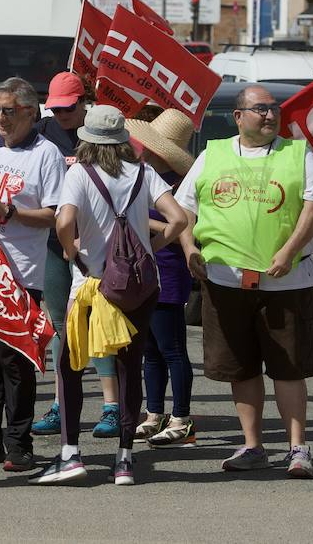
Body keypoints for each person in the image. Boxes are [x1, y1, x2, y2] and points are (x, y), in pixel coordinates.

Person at [174, 85, 313, 479]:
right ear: (239, 117)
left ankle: (298, 448)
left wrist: (288, 250)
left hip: (287, 281)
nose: (270, 116)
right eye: (260, 109)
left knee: (288, 369)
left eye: (274, 109)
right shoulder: (214, 154)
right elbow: (184, 208)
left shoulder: (298, 153)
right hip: (225, 282)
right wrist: (189, 248)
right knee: (240, 368)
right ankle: (252, 445)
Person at [32, 105, 186, 486]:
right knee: (128, 368)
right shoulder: (144, 172)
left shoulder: (79, 175)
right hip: (136, 286)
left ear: (86, 140)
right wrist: (153, 244)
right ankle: (125, 460)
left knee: (70, 365)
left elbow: (64, 221)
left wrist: (71, 251)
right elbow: (180, 219)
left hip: (90, 284)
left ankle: (70, 453)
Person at [0, 77, 66, 473]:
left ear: (30, 112)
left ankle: (18, 442)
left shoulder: (46, 155)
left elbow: (54, 215)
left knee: (15, 362)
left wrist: (10, 211)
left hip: (20, 275)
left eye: (7, 111)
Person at [32, 72, 123, 441]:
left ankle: (112, 407)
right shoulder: (43, 130)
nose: (61, 114)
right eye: (55, 108)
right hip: (58, 245)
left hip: (99, 249)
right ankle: (61, 404)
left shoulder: (101, 132)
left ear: (84, 102)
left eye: (68, 108)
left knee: (99, 325)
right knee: (60, 325)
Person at [126, 109, 198, 447]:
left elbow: (182, 222)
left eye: (149, 145)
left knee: (171, 348)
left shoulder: (178, 184)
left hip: (167, 270)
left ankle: (181, 416)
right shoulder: (144, 175)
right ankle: (154, 413)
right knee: (150, 349)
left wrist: (146, 228)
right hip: (145, 269)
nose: (141, 147)